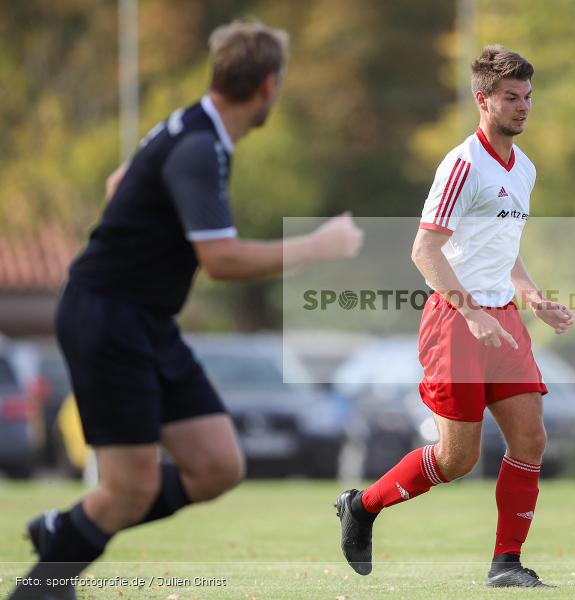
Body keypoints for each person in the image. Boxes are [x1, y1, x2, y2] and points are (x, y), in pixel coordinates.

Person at [9, 20, 363, 600]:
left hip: (146, 321)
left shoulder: (191, 127)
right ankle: (44, 583)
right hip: (107, 318)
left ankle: (62, 529)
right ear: (269, 87)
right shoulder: (200, 146)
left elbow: (118, 180)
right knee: (128, 490)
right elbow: (220, 260)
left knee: (217, 466)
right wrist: (315, 247)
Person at [335, 45, 575, 588]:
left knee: (531, 440)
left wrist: (533, 297)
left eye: (528, 97)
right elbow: (425, 250)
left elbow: (502, 248)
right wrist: (470, 313)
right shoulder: (462, 164)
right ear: (482, 100)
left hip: (503, 319)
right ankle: (363, 506)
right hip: (455, 322)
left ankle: (506, 564)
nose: (522, 107)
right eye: (511, 97)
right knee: (457, 458)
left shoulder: (526, 169)